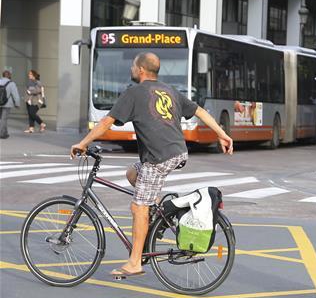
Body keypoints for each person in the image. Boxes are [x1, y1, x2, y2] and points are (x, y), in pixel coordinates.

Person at [70, 52, 233, 278]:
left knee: (138, 208)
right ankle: (156, 209)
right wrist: (222, 134)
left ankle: (135, 262)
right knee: (132, 173)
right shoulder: (170, 90)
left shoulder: (135, 92)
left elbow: (107, 121)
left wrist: (82, 143)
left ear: (140, 70)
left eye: (133, 66)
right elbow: (200, 111)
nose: (132, 70)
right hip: (174, 152)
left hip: (159, 157)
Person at [0, 70, 21, 140]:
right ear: (9, 76)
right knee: (4, 119)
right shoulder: (11, 83)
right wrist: (17, 104)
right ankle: (2, 134)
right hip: (7, 104)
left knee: (1, 119)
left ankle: (5, 132)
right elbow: (15, 95)